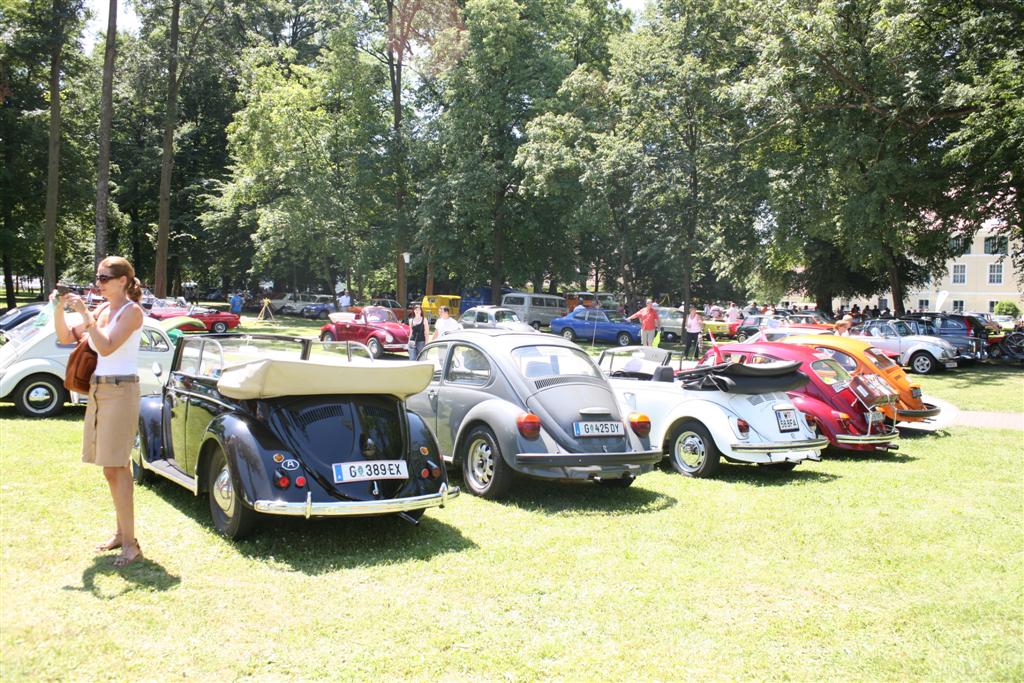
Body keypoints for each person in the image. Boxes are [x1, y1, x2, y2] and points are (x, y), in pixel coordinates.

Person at [52, 256, 145, 568]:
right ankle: (121, 534)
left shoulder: (131, 311)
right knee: (109, 467)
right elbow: (65, 337)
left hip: (121, 389)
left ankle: (131, 545)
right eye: (98, 277)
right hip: (101, 389)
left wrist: (84, 314)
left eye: (105, 278)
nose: (99, 283)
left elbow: (106, 347)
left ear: (122, 281)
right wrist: (59, 309)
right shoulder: (103, 308)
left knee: (117, 466)